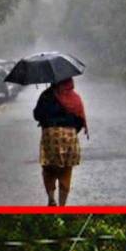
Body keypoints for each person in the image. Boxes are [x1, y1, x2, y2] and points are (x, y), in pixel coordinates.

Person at [33, 78, 88, 206]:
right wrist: (70, 131)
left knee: (48, 168)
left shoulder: (46, 95)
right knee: (66, 171)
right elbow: (80, 120)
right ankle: (62, 205)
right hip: (69, 137)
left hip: (50, 136)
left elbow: (37, 115)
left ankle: (51, 199)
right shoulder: (74, 97)